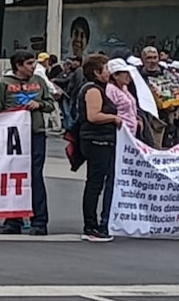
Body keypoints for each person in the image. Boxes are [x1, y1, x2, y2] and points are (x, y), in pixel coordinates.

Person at [0, 49, 54, 236]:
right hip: (14, 137)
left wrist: (40, 105)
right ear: (18, 66)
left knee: (36, 177)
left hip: (36, 134)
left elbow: (50, 103)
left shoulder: (39, 82)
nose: (33, 66)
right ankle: (13, 220)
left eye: (33, 63)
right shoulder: (4, 84)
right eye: (29, 63)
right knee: (15, 178)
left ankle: (40, 221)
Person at [78, 54, 121, 243]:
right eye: (106, 68)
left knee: (97, 182)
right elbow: (93, 116)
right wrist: (113, 118)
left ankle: (95, 224)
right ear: (96, 72)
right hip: (96, 141)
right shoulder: (93, 90)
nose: (108, 72)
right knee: (95, 183)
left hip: (101, 140)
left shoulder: (99, 89)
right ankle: (90, 226)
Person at [105, 59, 139, 136]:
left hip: (130, 133)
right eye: (125, 73)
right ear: (115, 75)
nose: (129, 75)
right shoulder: (111, 90)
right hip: (120, 133)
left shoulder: (124, 88)